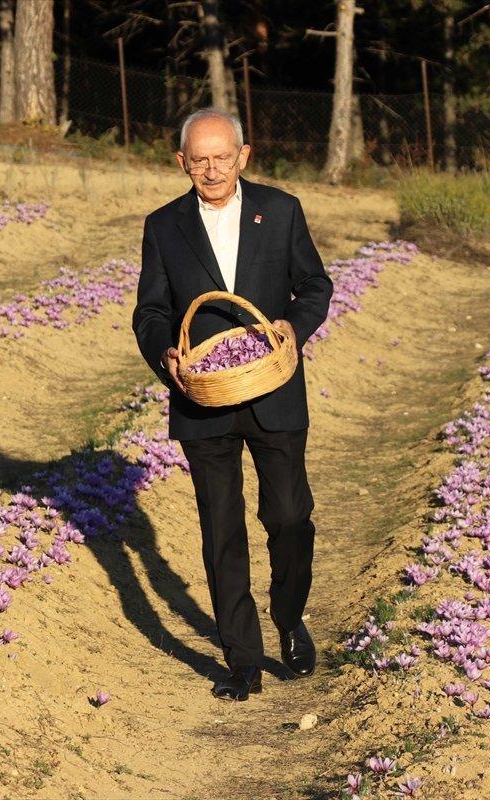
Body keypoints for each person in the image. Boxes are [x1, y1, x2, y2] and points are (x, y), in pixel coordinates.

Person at [131, 108, 333, 701]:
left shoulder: (282, 210)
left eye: (223, 157)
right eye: (200, 160)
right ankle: (241, 658)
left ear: (244, 156)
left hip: (274, 390)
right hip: (203, 397)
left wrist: (293, 328)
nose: (213, 169)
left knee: (289, 515)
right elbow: (150, 310)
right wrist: (165, 352)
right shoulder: (163, 226)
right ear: (182, 163)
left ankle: (289, 616)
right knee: (222, 529)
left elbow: (315, 286)